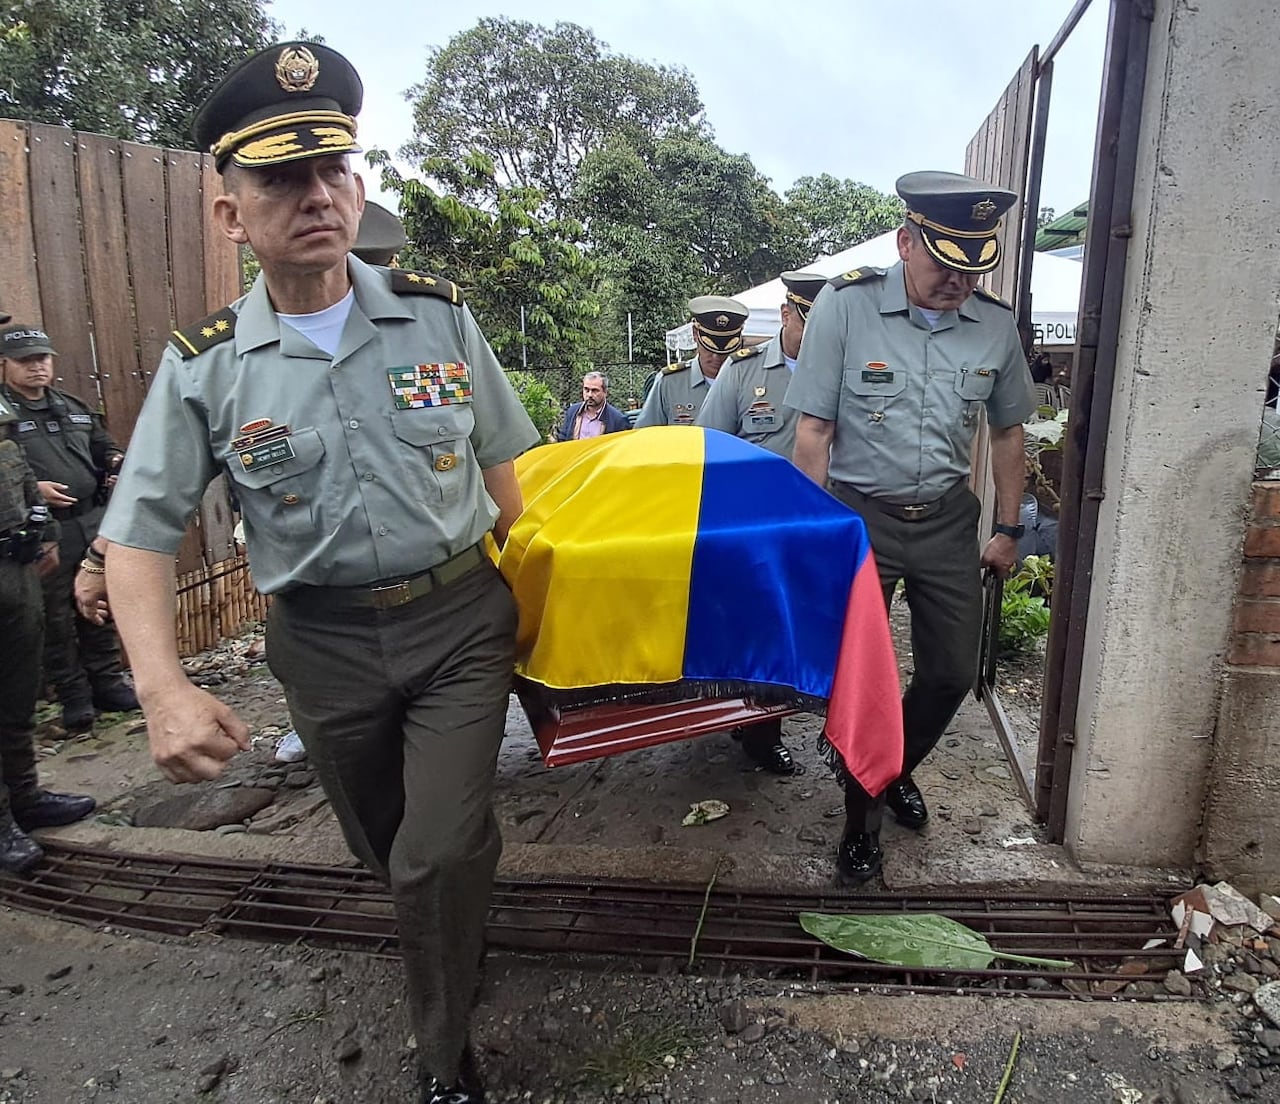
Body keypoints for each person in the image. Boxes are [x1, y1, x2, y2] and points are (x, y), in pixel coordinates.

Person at [97, 42, 539, 1104]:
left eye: (331, 169)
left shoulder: (438, 315)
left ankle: (444, 1056)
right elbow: (138, 535)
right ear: (229, 212)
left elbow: (506, 480)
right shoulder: (205, 364)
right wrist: (161, 688)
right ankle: (447, 925)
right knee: (383, 847)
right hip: (323, 646)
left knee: (434, 850)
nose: (313, 196)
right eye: (279, 178)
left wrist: (528, 595)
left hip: (455, 627)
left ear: (358, 183)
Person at [786, 171, 1036, 883]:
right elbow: (814, 430)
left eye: (970, 268)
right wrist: (816, 534)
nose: (956, 282)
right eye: (944, 264)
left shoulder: (993, 325)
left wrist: (1009, 527)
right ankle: (862, 822)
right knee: (861, 680)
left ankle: (890, 768)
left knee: (953, 672)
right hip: (862, 517)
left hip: (948, 521)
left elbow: (1011, 431)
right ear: (906, 241)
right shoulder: (846, 306)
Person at [0, 324, 137, 731]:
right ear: (4, 365)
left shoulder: (72, 406)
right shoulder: (5, 417)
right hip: (45, 532)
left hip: (90, 520)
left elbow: (103, 446)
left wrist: (113, 464)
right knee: (55, 616)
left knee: (98, 603)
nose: (37, 367)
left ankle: (108, 682)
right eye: (26, 361)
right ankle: (74, 696)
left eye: (42, 359)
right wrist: (33, 489)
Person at [0, 310, 97, 874]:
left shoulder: (8, 411)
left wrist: (39, 531)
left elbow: (15, 474)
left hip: (14, 565)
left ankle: (24, 798)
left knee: (13, 699)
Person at [696, 271, 827, 460]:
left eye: (822, 327)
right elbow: (709, 445)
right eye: (807, 326)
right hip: (758, 487)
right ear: (785, 315)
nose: (814, 336)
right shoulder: (741, 369)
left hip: (820, 489)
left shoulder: (838, 369)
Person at [633, 296, 749, 428]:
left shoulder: (751, 380)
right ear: (695, 333)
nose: (716, 356)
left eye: (725, 352)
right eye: (709, 348)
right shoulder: (670, 383)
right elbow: (646, 435)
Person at [555, 371, 630, 441]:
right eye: (586, 390)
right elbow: (563, 440)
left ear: (605, 392)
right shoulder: (572, 412)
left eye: (595, 390)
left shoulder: (618, 420)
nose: (589, 395)